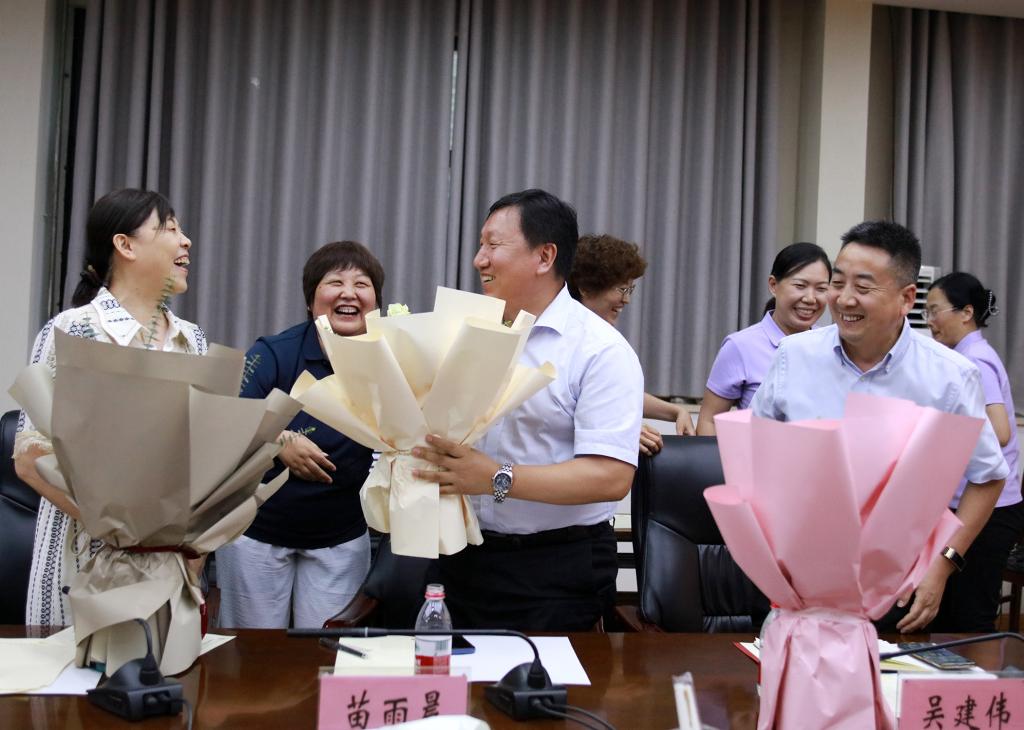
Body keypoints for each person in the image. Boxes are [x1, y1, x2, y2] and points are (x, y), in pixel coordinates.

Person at [750, 221, 1008, 633]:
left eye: (863, 287)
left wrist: (943, 564)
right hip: (796, 576)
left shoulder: (949, 377)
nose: (844, 299)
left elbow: (989, 477)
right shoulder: (793, 355)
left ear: (907, 298)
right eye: (838, 283)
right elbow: (757, 451)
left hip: (896, 589)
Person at [413, 189, 644, 631]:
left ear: (544, 256)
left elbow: (611, 477)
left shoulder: (600, 351)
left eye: (493, 245)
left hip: (554, 567)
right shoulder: (467, 332)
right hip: (460, 554)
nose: (479, 259)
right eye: (480, 245)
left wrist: (496, 478)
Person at [14, 188, 206, 627]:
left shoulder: (191, 339)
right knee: (74, 671)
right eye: (170, 228)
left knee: (165, 668)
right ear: (125, 245)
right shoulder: (73, 330)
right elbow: (30, 458)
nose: (186, 240)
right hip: (82, 563)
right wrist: (120, 527)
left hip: (169, 566)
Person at [214, 242, 383, 629]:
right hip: (257, 534)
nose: (348, 293)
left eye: (361, 284)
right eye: (335, 282)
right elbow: (228, 416)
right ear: (311, 300)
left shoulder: (389, 360)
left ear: (376, 303)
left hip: (341, 537)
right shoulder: (274, 352)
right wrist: (279, 441)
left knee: (324, 652)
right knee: (253, 654)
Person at [924, 272, 1022, 631]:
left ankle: (977, 669)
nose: (929, 321)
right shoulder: (968, 355)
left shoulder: (974, 360)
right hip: (977, 502)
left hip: (989, 507)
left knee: (968, 615)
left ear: (966, 313)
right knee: (955, 609)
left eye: (935, 311)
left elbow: (1000, 432)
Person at [568, 233, 695, 456]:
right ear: (586, 287)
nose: (626, 300)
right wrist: (619, 430)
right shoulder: (567, 336)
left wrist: (676, 411)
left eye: (630, 290)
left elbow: (615, 391)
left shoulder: (601, 338)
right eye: (621, 289)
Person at [696, 242, 831, 435]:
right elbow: (709, 421)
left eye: (821, 289)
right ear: (773, 285)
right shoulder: (740, 346)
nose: (810, 298)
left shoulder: (831, 345)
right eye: (800, 286)